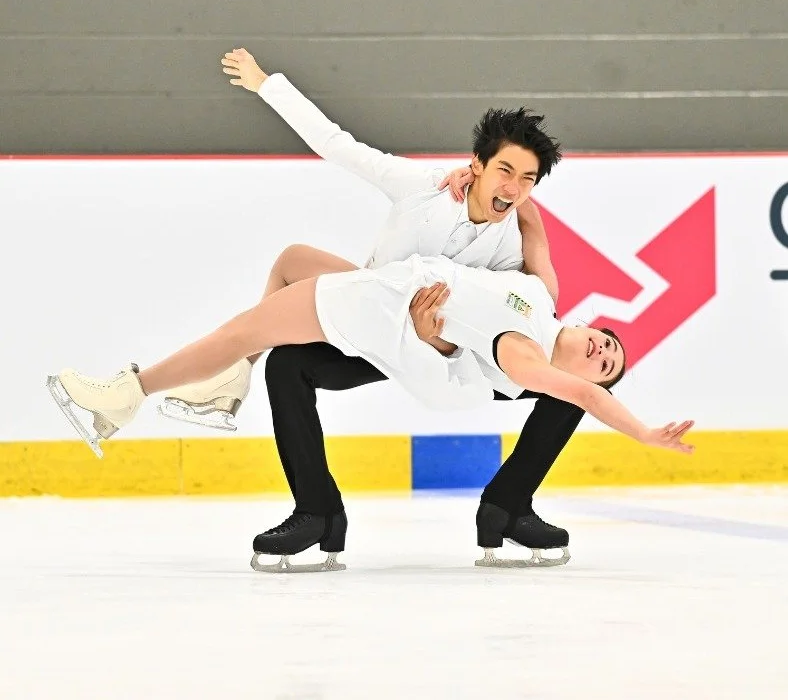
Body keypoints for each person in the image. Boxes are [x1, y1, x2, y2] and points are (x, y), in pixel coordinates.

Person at [152, 47, 580, 569]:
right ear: (476, 165)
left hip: (448, 359)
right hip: (376, 329)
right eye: (505, 171)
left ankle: (507, 508)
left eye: (527, 180)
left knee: (575, 379)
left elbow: (526, 312)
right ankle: (317, 512)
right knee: (290, 330)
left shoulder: (512, 248)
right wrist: (267, 83)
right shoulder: (421, 190)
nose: (512, 189)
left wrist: (438, 342)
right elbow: (338, 145)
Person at [46, 249, 695, 573]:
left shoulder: (528, 356)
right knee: (290, 283)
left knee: (246, 331)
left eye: (607, 362)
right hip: (394, 296)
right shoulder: (540, 293)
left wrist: (641, 431)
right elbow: (532, 228)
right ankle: (316, 508)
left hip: (405, 330)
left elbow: (582, 393)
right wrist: (516, 183)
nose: (603, 352)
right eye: (607, 341)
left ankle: (129, 395)